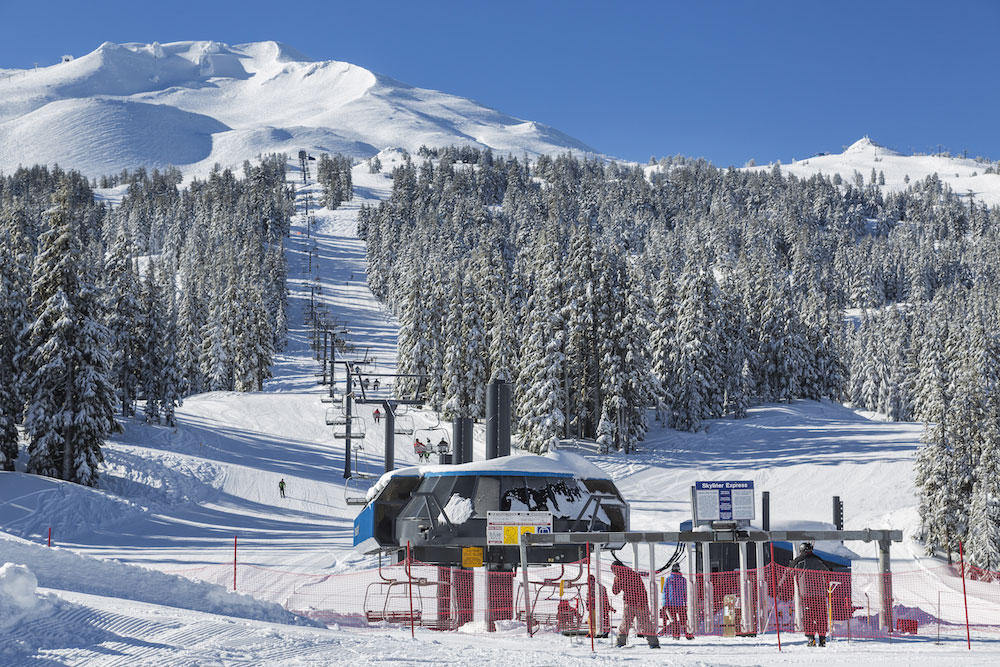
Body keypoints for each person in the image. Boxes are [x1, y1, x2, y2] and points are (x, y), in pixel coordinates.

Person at [789, 542, 831, 647]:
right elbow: (828, 572)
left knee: (808, 616)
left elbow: (788, 573)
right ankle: (822, 639)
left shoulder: (798, 561)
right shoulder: (819, 560)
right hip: (820, 594)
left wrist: (780, 587)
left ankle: (811, 638)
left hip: (806, 594)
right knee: (821, 616)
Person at [611, 562, 660, 648]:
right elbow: (615, 591)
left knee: (645, 624)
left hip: (639, 603)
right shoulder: (619, 577)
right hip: (628, 603)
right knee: (625, 623)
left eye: (614, 570)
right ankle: (620, 642)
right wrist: (616, 581)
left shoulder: (633, 575)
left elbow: (641, 590)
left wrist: (641, 603)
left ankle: (653, 643)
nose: (614, 573)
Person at [662, 563, 693, 640]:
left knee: (682, 620)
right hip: (674, 604)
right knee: (678, 621)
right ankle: (680, 634)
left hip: (677, 604)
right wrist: (665, 603)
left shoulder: (680, 580)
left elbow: (665, 592)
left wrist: (665, 603)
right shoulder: (670, 580)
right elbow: (665, 592)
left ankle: (683, 634)